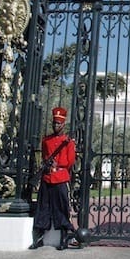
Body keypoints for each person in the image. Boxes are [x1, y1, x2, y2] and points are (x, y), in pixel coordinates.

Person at [29, 107, 76, 250]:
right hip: (47, 177)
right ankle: (40, 237)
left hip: (60, 177)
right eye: (54, 123)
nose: (56, 126)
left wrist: (58, 164)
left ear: (63, 125)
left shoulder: (68, 142)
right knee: (44, 207)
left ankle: (63, 238)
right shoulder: (46, 140)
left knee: (61, 208)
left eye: (59, 124)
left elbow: (70, 161)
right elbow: (44, 155)